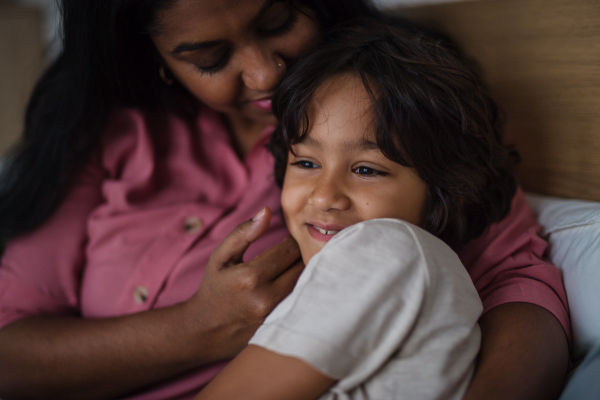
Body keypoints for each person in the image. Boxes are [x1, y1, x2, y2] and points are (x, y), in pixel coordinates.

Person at [0, 1, 569, 399]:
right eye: (208, 57)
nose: (264, 72)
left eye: (278, 21)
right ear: (156, 58)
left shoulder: (399, 107)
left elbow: (514, 281)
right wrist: (195, 328)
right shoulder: (107, 132)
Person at [194, 16, 512, 399]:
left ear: (445, 189)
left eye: (366, 169)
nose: (325, 196)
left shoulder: (384, 250)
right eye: (307, 163)